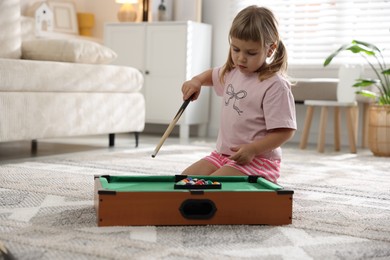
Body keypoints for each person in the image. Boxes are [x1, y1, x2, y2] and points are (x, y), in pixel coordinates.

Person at [180, 5, 297, 183]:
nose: (241, 58)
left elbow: (285, 131)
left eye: (251, 53)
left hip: (258, 161)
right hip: (222, 155)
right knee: (182, 180)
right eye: (235, 49)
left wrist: (253, 149)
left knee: (210, 186)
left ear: (271, 49)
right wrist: (196, 81)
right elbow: (211, 75)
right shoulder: (233, 72)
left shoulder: (275, 86)